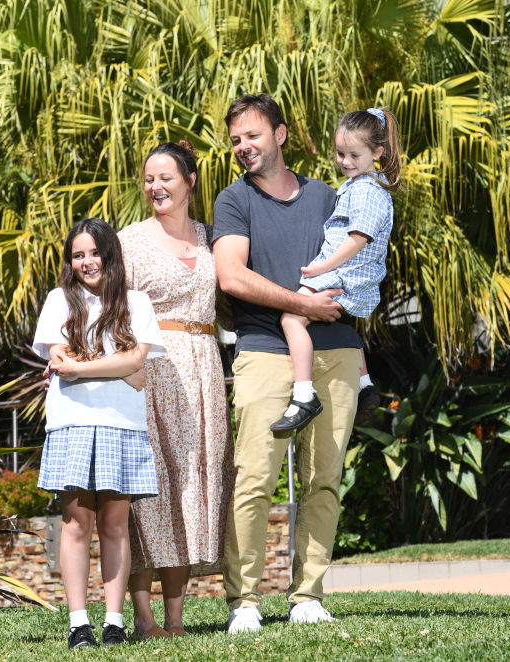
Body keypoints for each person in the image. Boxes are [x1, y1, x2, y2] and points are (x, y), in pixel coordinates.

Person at [212, 93, 363, 633]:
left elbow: (362, 255)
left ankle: (308, 594)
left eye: (252, 135)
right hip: (264, 350)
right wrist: (301, 305)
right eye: (234, 140)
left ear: (279, 134)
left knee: (324, 477)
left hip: (338, 347)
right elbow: (231, 276)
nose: (243, 147)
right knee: (254, 477)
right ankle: (245, 601)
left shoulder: (327, 195)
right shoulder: (234, 201)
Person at [117, 141, 234, 640]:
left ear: (189, 181)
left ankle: (176, 619)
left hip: (205, 369)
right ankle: (143, 618)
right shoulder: (127, 241)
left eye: (166, 177)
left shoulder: (214, 237)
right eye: (148, 179)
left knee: (192, 490)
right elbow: (110, 313)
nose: (155, 187)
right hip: (151, 372)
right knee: (151, 491)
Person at [33, 217, 165, 649]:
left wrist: (96, 367)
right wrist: (123, 367)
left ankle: (113, 622)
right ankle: (78, 625)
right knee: (75, 523)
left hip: (122, 427)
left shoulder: (137, 302)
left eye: (95, 253)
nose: (87, 262)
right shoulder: (58, 300)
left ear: (111, 255)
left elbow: (134, 362)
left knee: (115, 524)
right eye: (78, 255)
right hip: (71, 424)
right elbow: (64, 358)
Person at [271, 108, 401, 432]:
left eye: (354, 155)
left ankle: (304, 395)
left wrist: (321, 267)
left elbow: (358, 237)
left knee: (292, 318)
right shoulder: (363, 183)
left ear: (378, 152)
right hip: (351, 274)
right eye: (341, 153)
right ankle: (364, 383)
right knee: (334, 319)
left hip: (344, 272)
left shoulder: (368, 190)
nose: (345, 161)